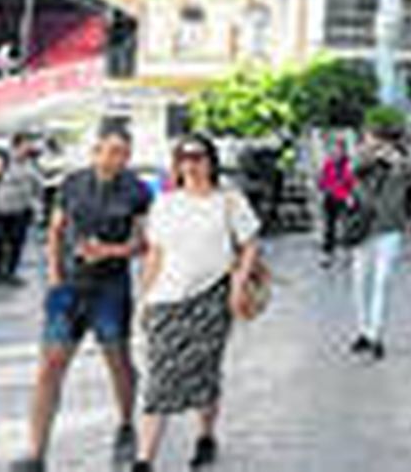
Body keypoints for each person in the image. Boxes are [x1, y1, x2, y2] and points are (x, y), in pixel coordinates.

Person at [14, 124, 152, 472]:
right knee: (50, 366)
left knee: (117, 361)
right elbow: (56, 229)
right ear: (95, 152)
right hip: (69, 286)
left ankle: (125, 422)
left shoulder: (137, 190)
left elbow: (143, 244)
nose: (117, 158)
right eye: (111, 150)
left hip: (111, 287)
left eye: (123, 152)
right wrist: (54, 273)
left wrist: (110, 250)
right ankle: (35, 451)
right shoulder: (72, 183)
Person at [133, 136, 260, 472]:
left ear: (211, 161)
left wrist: (238, 285)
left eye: (197, 157)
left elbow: (249, 245)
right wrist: (143, 299)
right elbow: (155, 254)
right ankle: (144, 459)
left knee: (205, 373)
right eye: (183, 157)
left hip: (211, 298)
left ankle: (205, 435)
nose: (190, 164)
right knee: (159, 378)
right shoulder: (165, 203)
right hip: (166, 299)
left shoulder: (229, 201)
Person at [349, 127, 411, 360]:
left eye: (378, 141)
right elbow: (353, 171)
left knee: (382, 283)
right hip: (363, 229)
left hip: (390, 229)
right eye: (370, 141)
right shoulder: (361, 159)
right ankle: (362, 330)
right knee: (359, 282)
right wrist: (371, 157)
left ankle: (375, 335)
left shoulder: (400, 163)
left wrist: (398, 160)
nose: (376, 145)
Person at [0, 133, 46, 287]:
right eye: (26, 144)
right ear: (16, 146)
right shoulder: (3, 161)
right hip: (1, 209)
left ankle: (11, 273)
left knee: (17, 242)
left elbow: (38, 185)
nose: (29, 148)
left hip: (21, 209)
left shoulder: (31, 164)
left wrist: (37, 205)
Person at [317, 142, 356, 267]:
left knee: (346, 226)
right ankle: (328, 254)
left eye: (338, 151)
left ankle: (347, 252)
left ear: (343, 152)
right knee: (329, 227)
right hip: (330, 198)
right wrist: (323, 187)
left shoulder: (348, 164)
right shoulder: (328, 164)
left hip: (343, 198)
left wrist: (350, 195)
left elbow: (352, 181)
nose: (336, 154)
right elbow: (322, 180)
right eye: (334, 152)